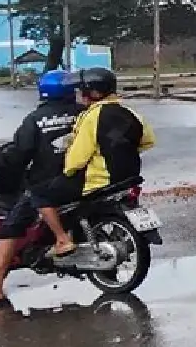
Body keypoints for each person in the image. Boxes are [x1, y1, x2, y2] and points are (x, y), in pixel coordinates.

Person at [0, 69, 83, 310]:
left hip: (48, 183)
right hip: (83, 179)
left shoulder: (36, 119)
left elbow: (19, 153)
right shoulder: (83, 113)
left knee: (11, 228)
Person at [37, 67, 157, 261]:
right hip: (129, 177)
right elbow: (148, 141)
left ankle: (62, 240)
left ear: (93, 93)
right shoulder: (129, 111)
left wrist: (67, 171)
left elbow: (78, 157)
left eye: (82, 91)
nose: (80, 96)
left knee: (40, 194)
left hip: (98, 181)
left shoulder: (92, 116)